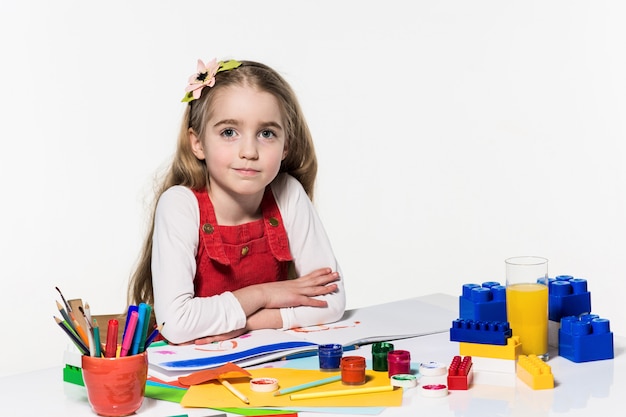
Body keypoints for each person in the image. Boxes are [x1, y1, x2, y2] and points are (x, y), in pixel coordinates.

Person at [127, 58, 345, 345]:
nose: (249, 151)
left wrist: (249, 323)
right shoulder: (180, 204)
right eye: (229, 132)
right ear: (198, 143)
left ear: (286, 146)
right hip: (195, 367)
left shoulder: (287, 193)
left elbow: (330, 301)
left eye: (266, 133)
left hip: (269, 364)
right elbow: (176, 323)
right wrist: (264, 294)